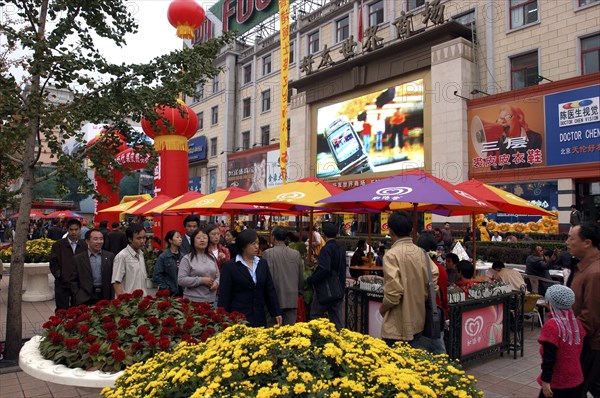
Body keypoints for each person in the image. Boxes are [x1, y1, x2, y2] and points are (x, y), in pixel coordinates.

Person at [379, 211, 438, 347]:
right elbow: (433, 280)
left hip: (397, 325)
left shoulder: (391, 255)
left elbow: (393, 293)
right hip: (419, 321)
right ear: (411, 229)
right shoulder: (422, 253)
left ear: (390, 230)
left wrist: (382, 309)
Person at [218, 229, 282, 327]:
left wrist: (276, 312)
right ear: (243, 246)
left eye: (257, 243)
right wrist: (223, 318)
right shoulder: (230, 266)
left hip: (259, 316)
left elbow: (269, 290)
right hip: (238, 318)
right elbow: (224, 295)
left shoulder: (262, 264)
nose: (257, 247)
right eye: (253, 244)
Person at [567, 223, 600, 398]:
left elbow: (590, 316)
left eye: (571, 238)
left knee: (574, 389)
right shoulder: (584, 267)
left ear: (587, 242)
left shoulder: (595, 273)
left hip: (590, 345)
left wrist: (566, 340)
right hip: (586, 342)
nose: (567, 242)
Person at [537, 285, 586, 398]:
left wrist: (545, 380)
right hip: (575, 378)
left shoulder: (552, 325)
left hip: (557, 381)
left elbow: (549, 357)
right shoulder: (576, 324)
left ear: (551, 303)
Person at [307, 222, 347, 330]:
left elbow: (324, 269)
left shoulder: (326, 249)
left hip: (325, 289)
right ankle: (341, 341)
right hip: (338, 289)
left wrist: (312, 279)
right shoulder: (341, 248)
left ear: (324, 234)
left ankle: (316, 339)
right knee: (337, 319)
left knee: (315, 315)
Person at [262, 226, 304, 326]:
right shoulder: (295, 254)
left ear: (273, 238)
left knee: (272, 333)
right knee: (289, 333)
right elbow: (300, 277)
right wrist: (299, 292)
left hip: (274, 299)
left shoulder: (268, 253)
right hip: (291, 298)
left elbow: (267, 277)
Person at [416, 232, 448, 354]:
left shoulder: (414, 266)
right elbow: (444, 298)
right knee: (438, 353)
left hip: (417, 316)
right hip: (433, 318)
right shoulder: (439, 270)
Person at [49, 219, 87, 310]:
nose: (74, 232)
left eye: (76, 229)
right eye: (71, 230)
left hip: (78, 284)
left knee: (78, 309)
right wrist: (59, 275)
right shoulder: (58, 245)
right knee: (61, 310)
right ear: (67, 230)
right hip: (62, 283)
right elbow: (53, 262)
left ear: (80, 230)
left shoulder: (84, 245)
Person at [70, 229, 115, 305]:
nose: (99, 242)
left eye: (101, 239)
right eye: (95, 239)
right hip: (85, 297)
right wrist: (77, 294)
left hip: (105, 296)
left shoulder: (110, 256)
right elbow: (73, 280)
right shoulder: (78, 258)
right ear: (87, 241)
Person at [493, 104, 543, 170]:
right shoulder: (499, 141)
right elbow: (497, 168)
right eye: (500, 119)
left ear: (519, 118)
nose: (503, 122)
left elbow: (528, 164)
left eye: (508, 117)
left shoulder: (535, 138)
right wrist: (493, 162)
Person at [178, 227, 220, 304]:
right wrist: (201, 280)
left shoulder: (211, 257)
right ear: (193, 240)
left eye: (205, 238)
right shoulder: (187, 258)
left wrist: (216, 283)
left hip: (211, 300)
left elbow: (218, 275)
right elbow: (181, 280)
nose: (202, 240)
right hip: (193, 301)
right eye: (198, 238)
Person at [111, 223, 147, 296]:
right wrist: (123, 303)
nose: (142, 241)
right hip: (129, 303)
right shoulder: (122, 256)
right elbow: (116, 282)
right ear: (130, 239)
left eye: (144, 238)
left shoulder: (141, 254)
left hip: (142, 301)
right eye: (139, 238)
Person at [153, 230, 184, 297]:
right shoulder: (163, 257)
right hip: (168, 293)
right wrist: (166, 288)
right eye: (177, 237)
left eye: (180, 237)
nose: (180, 239)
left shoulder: (183, 256)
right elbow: (157, 275)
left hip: (182, 292)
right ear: (170, 240)